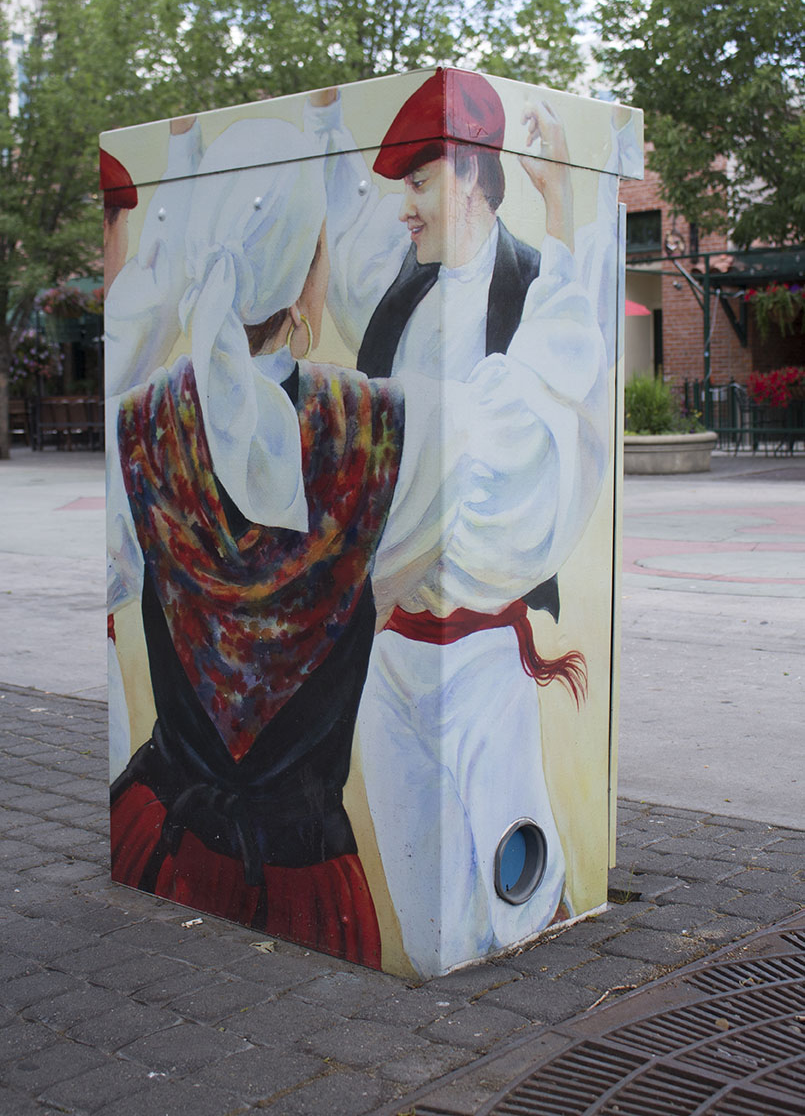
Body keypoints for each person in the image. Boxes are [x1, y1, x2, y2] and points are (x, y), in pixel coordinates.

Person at [306, 69, 610, 974]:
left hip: (484, 655)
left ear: (475, 177)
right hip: (391, 650)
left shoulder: (532, 289)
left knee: (512, 884)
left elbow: (560, 369)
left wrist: (563, 213)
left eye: (418, 181)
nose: (402, 207)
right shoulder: (400, 290)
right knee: (417, 877)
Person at [106, 119, 406, 967]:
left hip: (152, 844)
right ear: (310, 279)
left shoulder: (137, 421)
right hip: (309, 886)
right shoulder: (382, 425)